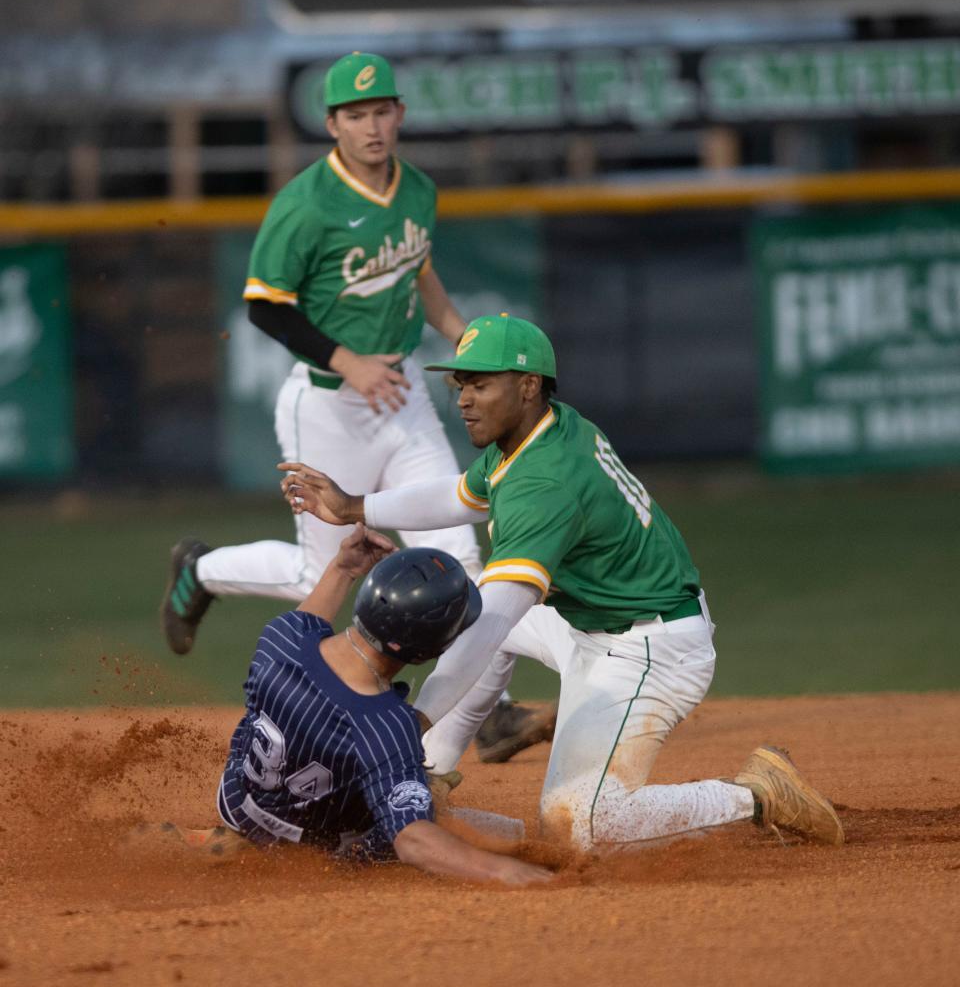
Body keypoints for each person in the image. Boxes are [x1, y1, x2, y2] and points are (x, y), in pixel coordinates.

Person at [279, 314, 845, 853]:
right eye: (460, 384)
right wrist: (356, 505)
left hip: (648, 649)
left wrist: (411, 720)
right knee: (479, 611)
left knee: (580, 826)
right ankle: (426, 775)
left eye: (481, 384)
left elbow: (493, 618)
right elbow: (461, 496)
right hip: (593, 624)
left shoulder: (545, 483)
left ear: (527, 386)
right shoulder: (537, 431)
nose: (464, 399)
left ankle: (757, 795)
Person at [158, 50, 552, 763]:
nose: (371, 126)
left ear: (399, 114)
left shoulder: (417, 191)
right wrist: (349, 362)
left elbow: (421, 275)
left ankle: (482, 711)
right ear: (333, 124)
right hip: (328, 405)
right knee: (323, 577)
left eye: (381, 111)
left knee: (463, 551)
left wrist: (472, 346)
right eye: (355, 115)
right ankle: (201, 570)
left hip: (401, 400)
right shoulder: (307, 204)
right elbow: (264, 307)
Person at [184, 522, 552, 885]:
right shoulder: (386, 727)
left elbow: (313, 613)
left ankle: (233, 836)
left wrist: (344, 566)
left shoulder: (283, 638)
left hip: (237, 798)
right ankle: (261, 851)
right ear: (426, 652)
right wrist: (501, 870)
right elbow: (413, 841)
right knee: (502, 834)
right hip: (307, 846)